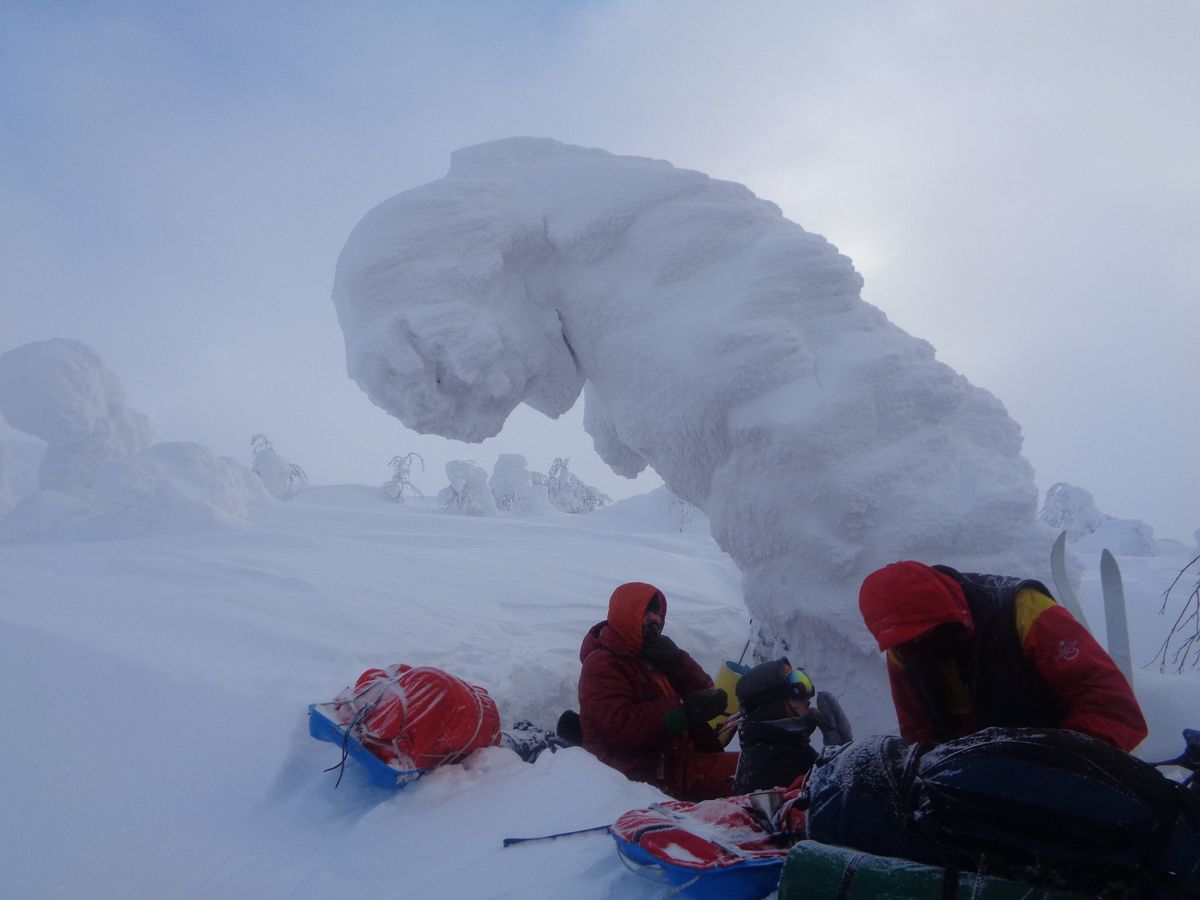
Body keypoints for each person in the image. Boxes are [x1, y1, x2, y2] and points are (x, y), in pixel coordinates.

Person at [858, 560, 1148, 752]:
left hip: (1058, 771)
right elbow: (918, 733)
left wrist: (1051, 761)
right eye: (908, 642)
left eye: (927, 632)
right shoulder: (905, 651)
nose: (919, 644)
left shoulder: (1025, 612)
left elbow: (1113, 710)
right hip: (976, 791)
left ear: (952, 613)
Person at [578, 581, 738, 801]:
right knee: (754, 773)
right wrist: (683, 711)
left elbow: (705, 691)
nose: (654, 619)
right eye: (645, 612)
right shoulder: (601, 664)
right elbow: (619, 728)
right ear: (626, 615)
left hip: (678, 762)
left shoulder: (655, 653)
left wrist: (678, 662)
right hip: (641, 776)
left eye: (657, 612)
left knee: (762, 766)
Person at [732, 658, 853, 794]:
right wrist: (841, 755)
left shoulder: (775, 747)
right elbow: (837, 806)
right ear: (773, 706)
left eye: (804, 681)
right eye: (796, 686)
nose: (810, 693)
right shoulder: (777, 768)